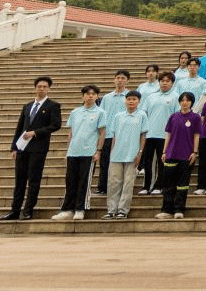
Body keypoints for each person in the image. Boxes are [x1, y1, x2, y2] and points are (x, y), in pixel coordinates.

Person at [1, 76, 62, 221]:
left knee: (34, 179)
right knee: (19, 180)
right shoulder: (27, 106)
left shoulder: (53, 106)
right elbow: (20, 127)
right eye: (39, 86)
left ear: (48, 89)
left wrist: (35, 133)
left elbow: (56, 125)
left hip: (38, 147)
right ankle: (14, 210)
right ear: (35, 88)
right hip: (22, 147)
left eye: (45, 87)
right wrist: (14, 148)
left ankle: (28, 210)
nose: (41, 89)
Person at [51, 85, 106, 220]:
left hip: (89, 152)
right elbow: (71, 132)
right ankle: (67, 209)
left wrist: (98, 151)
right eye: (87, 94)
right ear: (83, 96)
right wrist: (68, 149)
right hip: (73, 152)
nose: (90, 96)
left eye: (93, 94)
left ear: (97, 96)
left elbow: (102, 133)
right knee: (70, 181)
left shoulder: (100, 112)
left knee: (84, 182)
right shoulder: (75, 112)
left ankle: (80, 208)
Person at [155, 91, 201, 219]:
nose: (185, 103)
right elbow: (168, 134)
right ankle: (166, 210)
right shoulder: (173, 117)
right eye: (182, 100)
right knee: (168, 184)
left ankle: (179, 209)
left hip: (186, 155)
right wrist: (164, 151)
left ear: (192, 102)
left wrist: (195, 152)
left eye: (188, 100)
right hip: (171, 154)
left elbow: (197, 135)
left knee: (183, 185)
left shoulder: (195, 117)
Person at [103, 90, 146, 219]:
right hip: (117, 154)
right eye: (129, 99)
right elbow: (114, 136)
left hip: (132, 155)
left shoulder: (142, 115)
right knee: (114, 183)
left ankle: (122, 210)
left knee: (128, 183)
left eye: (134, 99)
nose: (131, 101)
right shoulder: (118, 116)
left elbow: (143, 136)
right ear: (125, 101)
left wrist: (140, 153)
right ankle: (111, 209)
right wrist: (112, 153)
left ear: (139, 101)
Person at [141, 71, 180, 195]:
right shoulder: (151, 96)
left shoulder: (176, 97)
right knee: (148, 162)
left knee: (161, 161)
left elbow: (177, 117)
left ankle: (159, 185)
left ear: (172, 83)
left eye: (167, 81)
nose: (164, 83)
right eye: (162, 81)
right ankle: (146, 186)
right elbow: (143, 113)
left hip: (165, 135)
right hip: (149, 134)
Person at [95, 70, 130, 195]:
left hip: (123, 135)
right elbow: (101, 114)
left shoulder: (129, 97)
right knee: (105, 162)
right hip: (108, 134)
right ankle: (102, 187)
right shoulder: (106, 97)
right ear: (114, 79)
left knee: (122, 163)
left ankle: (118, 188)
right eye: (118, 78)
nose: (120, 80)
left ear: (127, 80)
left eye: (122, 78)